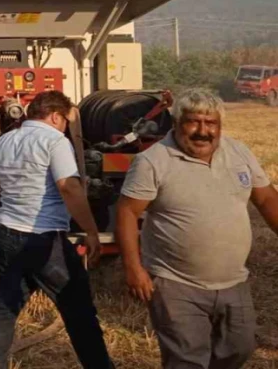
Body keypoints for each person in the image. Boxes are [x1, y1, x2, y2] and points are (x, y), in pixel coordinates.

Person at [116, 88, 278, 369]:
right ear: (177, 123)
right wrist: (133, 268)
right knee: (186, 359)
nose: (202, 131)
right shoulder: (153, 161)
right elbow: (127, 212)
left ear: (220, 126)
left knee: (239, 349)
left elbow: (266, 199)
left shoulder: (239, 153)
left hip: (233, 280)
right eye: (193, 122)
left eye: (211, 123)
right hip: (175, 283)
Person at [0, 90, 115, 369]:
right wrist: (91, 230)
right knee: (79, 310)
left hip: (8, 233)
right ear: (54, 116)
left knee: (4, 307)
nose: (65, 126)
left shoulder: (3, 141)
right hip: (45, 238)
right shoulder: (54, 141)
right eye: (65, 120)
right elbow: (69, 187)